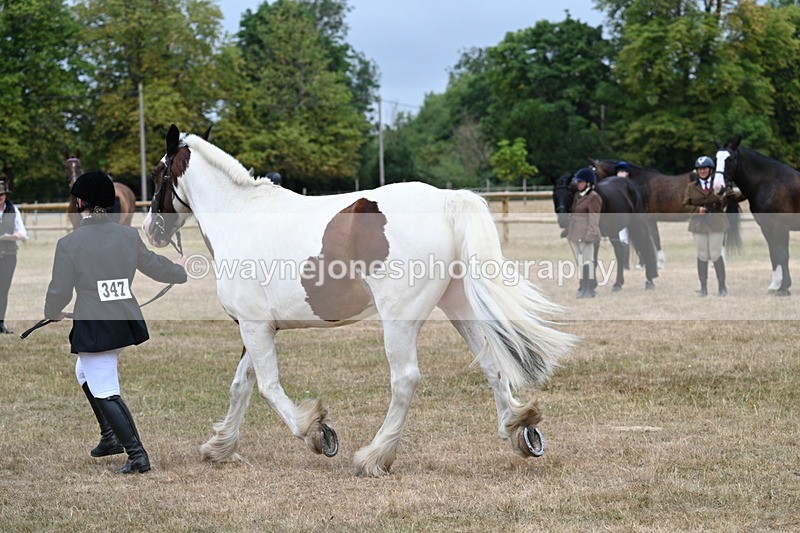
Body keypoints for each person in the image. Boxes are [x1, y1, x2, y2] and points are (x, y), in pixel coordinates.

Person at [44, 171, 188, 474]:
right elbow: (152, 265)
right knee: (84, 372)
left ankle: (137, 456)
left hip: (98, 326)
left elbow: (59, 289)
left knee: (105, 389)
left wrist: (52, 310)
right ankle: (110, 437)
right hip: (124, 320)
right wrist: (178, 271)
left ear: (81, 201)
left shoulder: (69, 243)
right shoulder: (126, 235)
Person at [683, 156, 730, 297]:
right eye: (700, 169)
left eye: (705, 168)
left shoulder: (718, 184)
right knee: (702, 255)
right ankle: (703, 288)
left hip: (716, 223)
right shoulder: (691, 187)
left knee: (715, 254)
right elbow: (685, 205)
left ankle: (722, 287)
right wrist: (697, 210)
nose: (702, 171)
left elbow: (731, 197)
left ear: (710, 170)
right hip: (699, 224)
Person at [567, 167, 603, 298]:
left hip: (587, 234)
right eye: (577, 182)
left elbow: (594, 218)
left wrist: (590, 235)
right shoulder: (578, 195)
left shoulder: (594, 197)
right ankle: (582, 285)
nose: (578, 184)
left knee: (588, 261)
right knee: (580, 261)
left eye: (581, 182)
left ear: (588, 183)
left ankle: (589, 288)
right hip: (576, 233)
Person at [0, 180, 28, 334]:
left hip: (9, 255)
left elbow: (23, 233)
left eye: (2, 194)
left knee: (3, 290)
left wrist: (16, 235)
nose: (0, 197)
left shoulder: (13, 210)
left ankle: (1, 322)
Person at [613, 161, 631, 272]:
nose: (621, 174)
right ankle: (625, 263)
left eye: (623, 171)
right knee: (623, 239)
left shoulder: (630, 185)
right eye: (619, 171)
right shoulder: (614, 185)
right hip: (619, 216)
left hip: (631, 215)